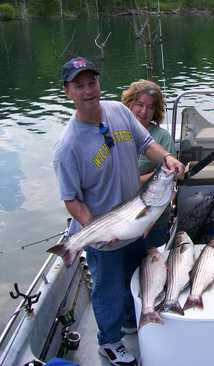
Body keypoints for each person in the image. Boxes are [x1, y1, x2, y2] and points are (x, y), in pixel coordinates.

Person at [53, 57, 185, 366]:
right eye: (79, 85)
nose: (89, 91)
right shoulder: (67, 147)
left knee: (139, 277)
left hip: (136, 218)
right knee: (108, 290)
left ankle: (132, 320)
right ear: (67, 92)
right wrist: (95, 229)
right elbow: (71, 200)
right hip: (106, 231)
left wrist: (166, 158)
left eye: (92, 82)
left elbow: (147, 143)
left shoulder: (117, 110)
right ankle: (109, 343)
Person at [122, 79, 176, 248]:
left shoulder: (162, 138)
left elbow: (168, 176)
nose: (144, 111)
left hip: (155, 220)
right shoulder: (116, 133)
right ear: (129, 104)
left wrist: (135, 180)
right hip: (122, 216)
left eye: (151, 107)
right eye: (139, 104)